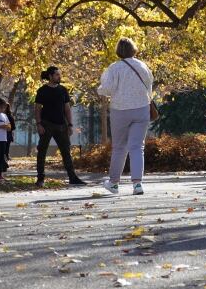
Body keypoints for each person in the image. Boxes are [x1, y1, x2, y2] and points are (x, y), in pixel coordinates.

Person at [97, 38, 154, 196]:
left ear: (119, 51)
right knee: (137, 147)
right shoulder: (142, 65)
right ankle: (137, 184)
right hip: (142, 108)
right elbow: (150, 85)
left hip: (120, 110)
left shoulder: (114, 68)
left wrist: (100, 90)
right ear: (133, 49)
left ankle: (114, 183)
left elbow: (107, 88)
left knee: (119, 147)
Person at [34, 66, 86, 187]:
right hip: (46, 124)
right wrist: (39, 124)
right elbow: (37, 109)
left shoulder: (63, 90)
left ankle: (73, 178)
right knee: (42, 151)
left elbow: (67, 108)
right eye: (57, 75)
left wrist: (70, 124)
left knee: (66, 152)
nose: (59, 77)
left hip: (61, 125)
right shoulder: (42, 90)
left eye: (60, 74)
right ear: (50, 76)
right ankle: (40, 178)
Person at [3, 102, 16, 172]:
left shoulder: (2, 117)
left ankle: (4, 164)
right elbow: (13, 127)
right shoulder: (11, 117)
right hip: (8, 135)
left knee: (3, 150)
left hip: (4, 135)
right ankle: (5, 163)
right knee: (6, 150)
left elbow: (13, 127)